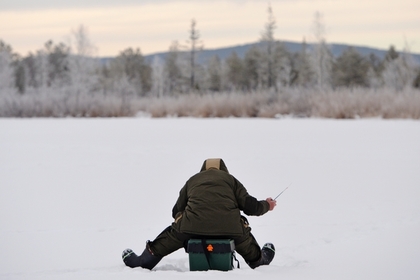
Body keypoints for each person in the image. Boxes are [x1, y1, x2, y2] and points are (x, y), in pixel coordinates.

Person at [122, 158, 277, 270]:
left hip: (189, 228)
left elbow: (176, 210)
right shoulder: (231, 180)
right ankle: (260, 258)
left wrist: (187, 220)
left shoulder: (193, 180)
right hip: (231, 229)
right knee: (257, 261)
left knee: (165, 241)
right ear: (223, 169)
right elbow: (251, 207)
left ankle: (143, 261)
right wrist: (267, 205)